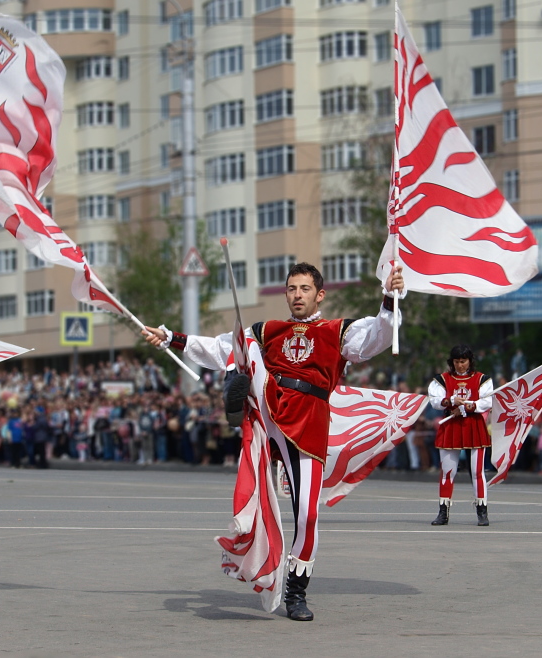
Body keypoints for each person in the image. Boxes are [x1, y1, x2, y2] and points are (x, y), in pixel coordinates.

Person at [144, 261, 405, 621]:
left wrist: (390, 298)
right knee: (256, 490)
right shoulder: (268, 330)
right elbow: (224, 349)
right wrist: (172, 337)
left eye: (305, 289)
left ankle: (296, 591)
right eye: (292, 289)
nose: (297, 295)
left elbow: (378, 336)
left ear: (320, 294)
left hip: (311, 420)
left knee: (307, 514)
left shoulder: (338, 330)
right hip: (270, 415)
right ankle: (252, 549)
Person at [427, 345, 493, 527]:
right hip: (451, 424)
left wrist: (467, 406)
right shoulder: (442, 379)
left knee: (477, 472)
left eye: (463, 361)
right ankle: (443, 512)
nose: (460, 365)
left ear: (470, 361)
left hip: (474, 425)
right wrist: (450, 401)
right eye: (457, 362)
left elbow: (487, 401)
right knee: (448, 471)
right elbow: (434, 400)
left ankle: (482, 511)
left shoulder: (483, 379)